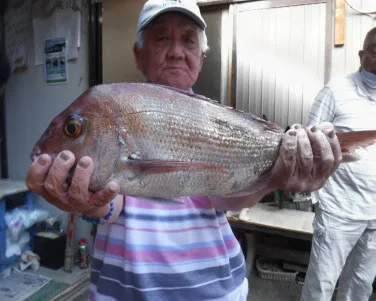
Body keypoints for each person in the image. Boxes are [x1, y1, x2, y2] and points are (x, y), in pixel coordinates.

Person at [26, 1, 342, 300]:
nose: (177, 52)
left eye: (189, 41)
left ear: (201, 57)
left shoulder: (218, 120)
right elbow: (112, 203)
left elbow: (224, 197)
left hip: (216, 289)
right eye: (162, 37)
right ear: (139, 54)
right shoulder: (113, 105)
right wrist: (89, 203)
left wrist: (276, 177)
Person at [301, 27, 376, 301]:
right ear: (362, 54)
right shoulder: (335, 91)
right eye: (375, 50)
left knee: (360, 287)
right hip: (339, 210)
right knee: (321, 284)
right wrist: (316, 198)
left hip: (375, 215)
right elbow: (309, 144)